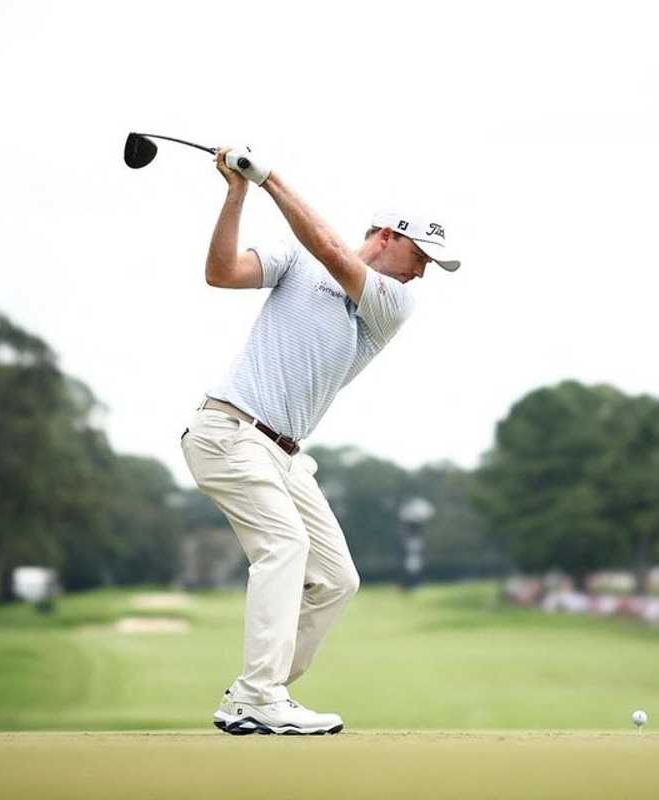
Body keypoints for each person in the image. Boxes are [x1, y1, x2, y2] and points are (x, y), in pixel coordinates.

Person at [180, 146, 460, 735]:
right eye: (421, 255)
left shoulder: (392, 302)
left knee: (337, 580)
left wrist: (270, 180)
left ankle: (255, 695)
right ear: (387, 235)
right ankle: (260, 696)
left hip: (283, 455)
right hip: (230, 431)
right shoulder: (293, 262)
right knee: (284, 548)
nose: (423, 271)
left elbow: (331, 251)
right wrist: (237, 194)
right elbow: (221, 273)